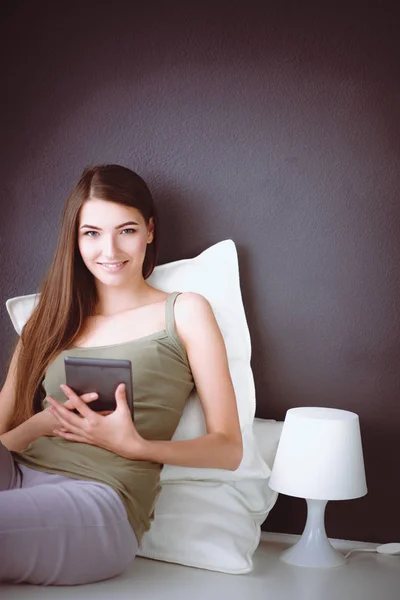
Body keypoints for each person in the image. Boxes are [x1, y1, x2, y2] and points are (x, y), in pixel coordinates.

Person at [0, 164, 243, 586]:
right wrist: (39, 425)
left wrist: (135, 445)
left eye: (125, 230)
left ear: (149, 231)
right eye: (91, 233)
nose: (109, 250)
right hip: (15, 472)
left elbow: (228, 449)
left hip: (98, 501)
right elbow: (4, 435)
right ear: (75, 241)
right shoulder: (50, 319)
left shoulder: (185, 311)